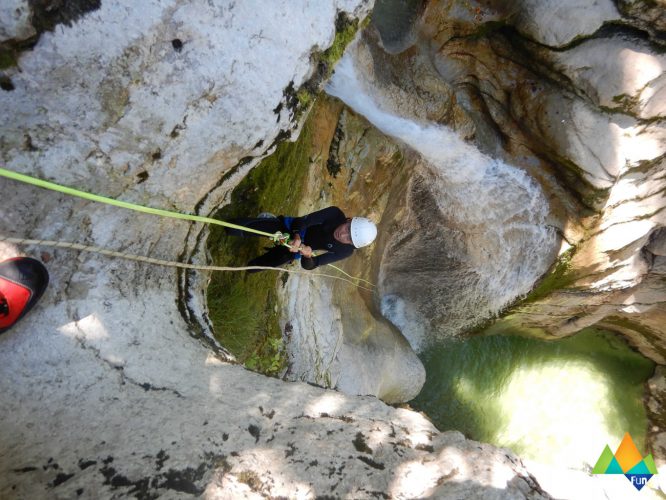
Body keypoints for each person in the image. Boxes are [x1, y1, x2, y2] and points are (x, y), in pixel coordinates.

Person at [225, 206, 377, 272]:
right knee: (233, 227)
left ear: (352, 245)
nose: (342, 235)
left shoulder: (345, 251)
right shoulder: (334, 214)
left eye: (349, 238)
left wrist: (307, 255)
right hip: (292, 228)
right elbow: (303, 221)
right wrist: (297, 236)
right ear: (349, 220)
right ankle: (270, 222)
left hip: (299, 250)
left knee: (257, 267)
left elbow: (311, 265)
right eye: (347, 229)